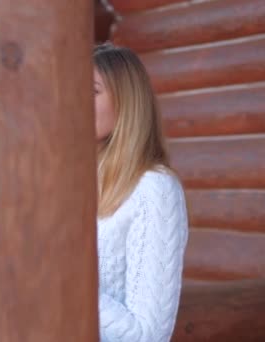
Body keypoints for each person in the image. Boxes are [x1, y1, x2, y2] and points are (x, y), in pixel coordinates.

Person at [94, 43, 189, 342]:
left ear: (126, 101)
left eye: (91, 91)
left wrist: (58, 277)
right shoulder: (70, 182)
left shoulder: (154, 190)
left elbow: (148, 335)